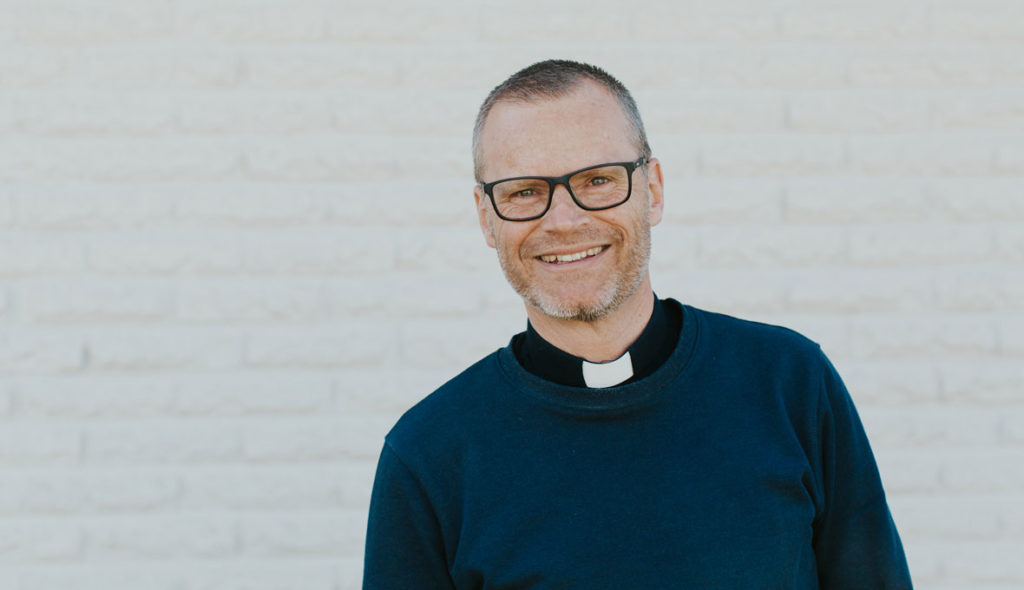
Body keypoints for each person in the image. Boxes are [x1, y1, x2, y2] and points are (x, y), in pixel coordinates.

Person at [363, 59, 912, 589]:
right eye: (525, 192)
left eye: (598, 180)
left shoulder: (789, 382)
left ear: (653, 190)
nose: (564, 221)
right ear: (487, 218)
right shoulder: (429, 455)